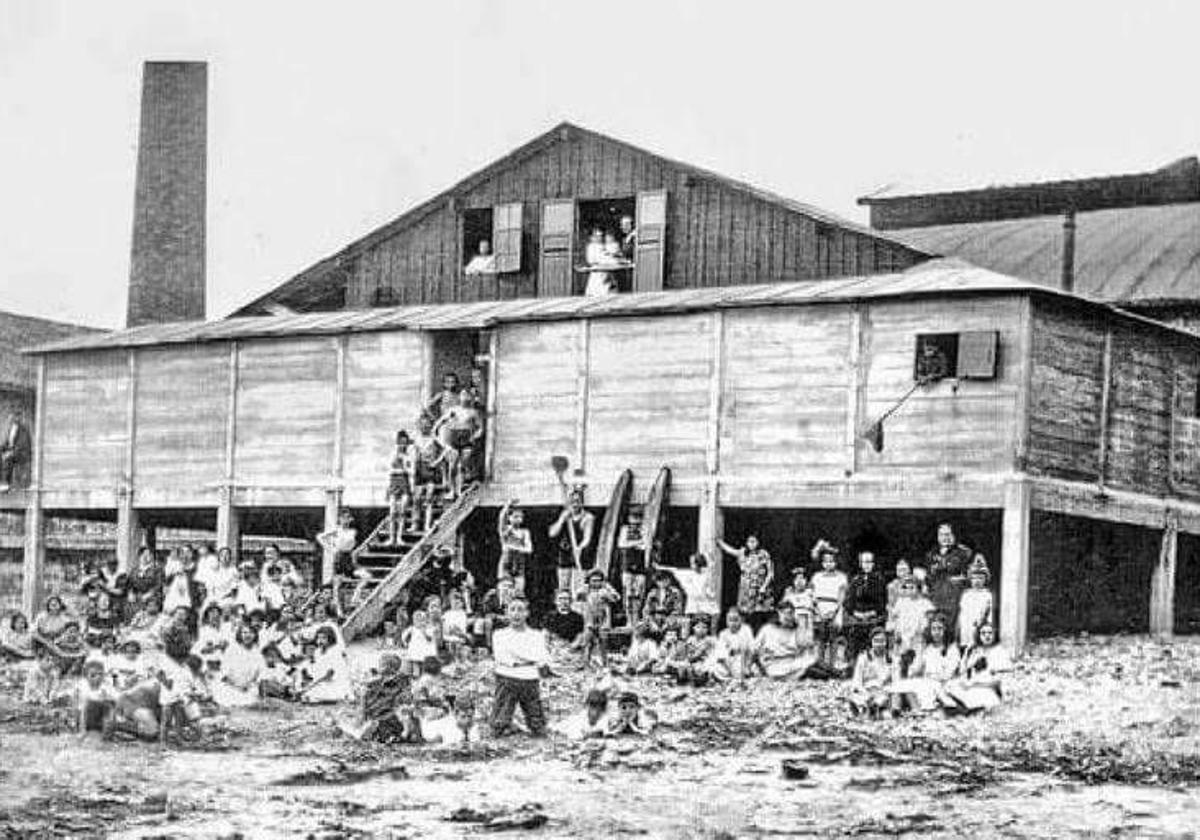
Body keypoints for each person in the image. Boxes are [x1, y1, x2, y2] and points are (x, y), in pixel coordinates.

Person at [490, 598, 550, 737]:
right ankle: (502, 725)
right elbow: (501, 658)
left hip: (529, 677)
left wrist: (522, 659)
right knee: (498, 723)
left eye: (520, 610)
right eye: (512, 609)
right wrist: (527, 659)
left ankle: (534, 727)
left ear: (527, 613)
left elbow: (540, 656)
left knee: (538, 726)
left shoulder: (536, 635)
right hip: (507, 677)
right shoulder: (499, 635)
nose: (516, 614)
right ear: (507, 613)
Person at [891, 613, 960, 713]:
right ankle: (916, 710)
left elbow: (948, 674)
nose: (936, 632)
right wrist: (910, 663)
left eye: (940, 629)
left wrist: (931, 678)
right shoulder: (928, 649)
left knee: (928, 688)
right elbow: (916, 669)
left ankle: (933, 708)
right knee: (904, 686)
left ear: (945, 630)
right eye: (934, 629)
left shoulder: (952, 649)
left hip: (943, 684)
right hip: (927, 681)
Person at [945, 623, 1011, 713]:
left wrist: (974, 684)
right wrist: (967, 654)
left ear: (994, 635)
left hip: (988, 687)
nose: (987, 636)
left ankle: (967, 708)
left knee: (984, 696)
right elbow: (962, 671)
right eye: (983, 633)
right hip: (971, 684)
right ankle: (961, 706)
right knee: (950, 685)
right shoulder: (976, 651)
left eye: (990, 633)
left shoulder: (999, 652)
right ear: (979, 635)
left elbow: (998, 681)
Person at [433, 389, 484, 499]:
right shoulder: (453, 410)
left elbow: (480, 427)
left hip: (466, 438)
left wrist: (474, 436)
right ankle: (452, 490)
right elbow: (440, 422)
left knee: (462, 465)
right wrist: (438, 437)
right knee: (453, 465)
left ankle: (459, 490)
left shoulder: (473, 412)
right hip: (453, 437)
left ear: (470, 398)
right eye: (463, 395)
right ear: (459, 397)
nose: (465, 398)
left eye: (467, 395)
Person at [718, 535, 774, 632]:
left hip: (759, 588)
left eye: (754, 541)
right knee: (744, 613)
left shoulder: (763, 554)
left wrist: (764, 586)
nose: (751, 544)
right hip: (746, 589)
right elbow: (730, 550)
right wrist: (720, 543)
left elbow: (770, 572)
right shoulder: (743, 553)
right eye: (749, 542)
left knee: (759, 614)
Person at [925, 523, 973, 631]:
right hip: (936, 598)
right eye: (942, 535)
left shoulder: (963, 553)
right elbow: (929, 577)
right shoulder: (931, 555)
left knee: (953, 630)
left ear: (953, 536)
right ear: (937, 537)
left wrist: (960, 580)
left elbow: (968, 576)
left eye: (948, 534)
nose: (945, 538)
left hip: (954, 599)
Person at [754, 601, 820, 679]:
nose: (789, 616)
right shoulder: (767, 629)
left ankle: (835, 674)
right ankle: (833, 675)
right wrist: (759, 668)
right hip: (775, 664)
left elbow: (806, 648)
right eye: (787, 613)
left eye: (791, 613)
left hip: (793, 660)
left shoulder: (796, 630)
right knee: (809, 669)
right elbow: (754, 650)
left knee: (813, 662)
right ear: (779, 613)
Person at [549, 491, 595, 596]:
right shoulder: (565, 516)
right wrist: (562, 519)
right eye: (572, 502)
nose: (575, 504)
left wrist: (580, 548)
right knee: (563, 586)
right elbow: (552, 533)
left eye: (577, 501)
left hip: (580, 555)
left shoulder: (587, 517)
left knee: (578, 588)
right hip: (565, 554)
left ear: (582, 503)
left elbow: (587, 538)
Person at [844, 551, 888, 659]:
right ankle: (853, 665)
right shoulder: (855, 581)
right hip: (857, 617)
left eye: (869, 562)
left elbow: (882, 602)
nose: (867, 565)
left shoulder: (879, 580)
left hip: (874, 618)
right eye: (865, 562)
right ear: (861, 564)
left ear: (873, 564)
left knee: (874, 634)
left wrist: (871, 613)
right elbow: (849, 601)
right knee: (853, 635)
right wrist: (856, 613)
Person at [847, 627, 896, 719]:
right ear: (871, 642)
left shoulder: (891, 659)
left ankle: (876, 711)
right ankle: (865, 710)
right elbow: (857, 681)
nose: (879, 644)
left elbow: (895, 681)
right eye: (876, 641)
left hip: (882, 692)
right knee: (857, 698)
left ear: (886, 642)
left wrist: (885, 690)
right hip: (865, 691)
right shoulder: (863, 658)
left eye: (882, 641)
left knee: (885, 710)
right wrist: (866, 694)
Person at [214, 624, 265, 708]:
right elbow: (224, 675)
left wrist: (250, 686)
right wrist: (237, 686)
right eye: (244, 632)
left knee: (251, 700)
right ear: (240, 635)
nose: (248, 635)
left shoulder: (258, 654)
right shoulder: (231, 650)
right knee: (230, 699)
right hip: (231, 686)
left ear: (255, 635)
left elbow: (260, 676)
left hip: (248, 688)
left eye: (251, 633)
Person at [616, 507, 649, 627]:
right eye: (633, 518)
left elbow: (645, 545)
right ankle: (629, 619)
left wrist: (632, 545)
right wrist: (636, 544)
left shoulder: (644, 530)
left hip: (640, 565)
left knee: (639, 592)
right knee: (628, 592)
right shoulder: (625, 529)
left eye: (638, 518)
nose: (636, 521)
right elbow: (621, 544)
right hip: (627, 564)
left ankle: (637, 618)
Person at [33, 594, 85, 671]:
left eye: (56, 603)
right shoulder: (42, 617)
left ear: (60, 605)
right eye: (51, 603)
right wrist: (46, 642)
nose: (54, 605)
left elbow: (76, 623)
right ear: (48, 605)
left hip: (58, 643)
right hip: (43, 643)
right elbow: (34, 633)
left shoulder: (63, 618)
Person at [301, 625, 352, 703]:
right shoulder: (318, 651)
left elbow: (329, 674)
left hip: (334, 681)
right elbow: (316, 669)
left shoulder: (335, 651)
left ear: (330, 638)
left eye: (323, 638)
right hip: (320, 681)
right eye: (318, 638)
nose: (320, 641)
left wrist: (312, 685)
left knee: (310, 694)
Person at [580, 570, 620, 669]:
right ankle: (586, 663)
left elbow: (616, 598)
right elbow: (578, 596)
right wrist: (584, 588)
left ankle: (605, 663)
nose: (596, 583)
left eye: (599, 580)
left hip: (603, 619)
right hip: (590, 619)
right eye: (593, 580)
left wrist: (608, 590)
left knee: (603, 642)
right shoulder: (587, 590)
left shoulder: (605, 590)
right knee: (588, 641)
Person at [887, 577, 934, 657]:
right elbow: (893, 617)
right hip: (902, 636)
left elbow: (929, 620)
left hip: (918, 638)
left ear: (918, 588)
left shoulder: (925, 603)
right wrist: (895, 630)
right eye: (907, 588)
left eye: (912, 587)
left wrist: (923, 631)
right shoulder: (901, 602)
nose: (909, 590)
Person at [497, 499, 532, 598]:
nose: (518, 519)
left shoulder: (524, 532)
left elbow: (529, 549)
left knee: (519, 591)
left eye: (520, 517)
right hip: (507, 562)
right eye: (515, 516)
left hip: (519, 563)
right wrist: (507, 505)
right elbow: (501, 518)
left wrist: (514, 547)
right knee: (506, 590)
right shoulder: (506, 530)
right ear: (509, 518)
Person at [957, 557, 995, 649]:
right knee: (965, 646)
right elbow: (962, 611)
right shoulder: (966, 594)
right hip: (966, 624)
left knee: (977, 645)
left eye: (980, 578)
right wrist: (959, 625)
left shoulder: (987, 594)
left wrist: (988, 624)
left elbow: (990, 613)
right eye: (974, 578)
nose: (977, 581)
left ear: (985, 579)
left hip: (980, 625)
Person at [711, 608, 756, 682]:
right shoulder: (723, 634)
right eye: (730, 620)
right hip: (729, 663)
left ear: (741, 620)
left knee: (753, 669)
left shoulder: (746, 630)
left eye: (736, 620)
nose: (733, 623)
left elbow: (752, 649)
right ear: (726, 621)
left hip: (744, 660)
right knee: (716, 668)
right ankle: (730, 679)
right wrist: (729, 667)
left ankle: (741, 676)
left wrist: (748, 666)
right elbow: (721, 655)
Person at [385, 430, 415, 545]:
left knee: (402, 511)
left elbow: (411, 471)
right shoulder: (392, 454)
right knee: (392, 512)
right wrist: (387, 488)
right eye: (400, 443)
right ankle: (391, 538)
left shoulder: (408, 456)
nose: (402, 445)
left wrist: (404, 466)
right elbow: (389, 471)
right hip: (393, 482)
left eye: (404, 443)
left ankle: (399, 537)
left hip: (404, 482)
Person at [76, 659, 114, 736]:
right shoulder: (83, 686)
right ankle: (82, 730)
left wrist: (106, 698)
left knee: (109, 705)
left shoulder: (105, 686)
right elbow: (81, 708)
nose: (97, 678)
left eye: (100, 674)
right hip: (85, 717)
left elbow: (113, 699)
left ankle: (107, 730)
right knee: (87, 704)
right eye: (93, 675)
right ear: (86, 676)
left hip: (101, 716)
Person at [0, 411, 32, 491]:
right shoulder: (11, 428)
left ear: (19, 418)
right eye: (13, 417)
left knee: (7, 459)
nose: (14, 418)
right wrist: (2, 448)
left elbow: (22, 445)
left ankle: (6, 483)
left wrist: (10, 453)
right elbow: (6, 442)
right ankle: (1, 481)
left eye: (16, 417)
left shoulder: (23, 429)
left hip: (22, 453)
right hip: (12, 451)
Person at [584, 228, 619, 296]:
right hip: (597, 273)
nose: (599, 238)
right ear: (592, 237)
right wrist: (609, 259)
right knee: (596, 291)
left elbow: (611, 257)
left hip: (607, 273)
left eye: (600, 236)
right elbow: (592, 260)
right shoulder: (591, 247)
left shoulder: (604, 246)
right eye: (597, 236)